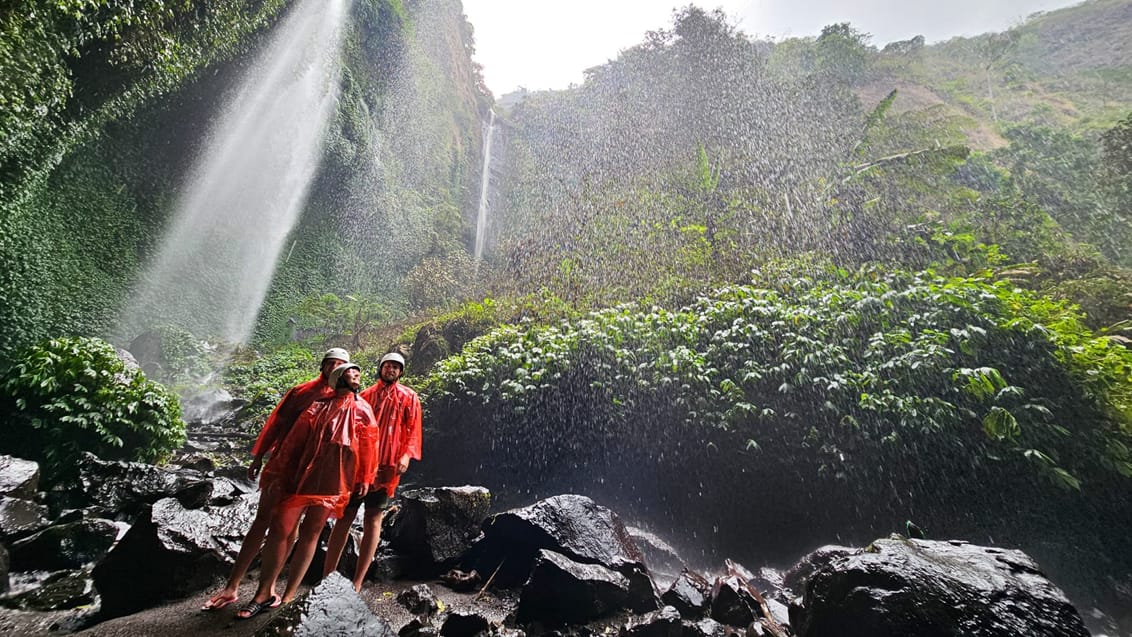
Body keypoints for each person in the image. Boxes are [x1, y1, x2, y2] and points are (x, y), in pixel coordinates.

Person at [201, 347, 349, 611]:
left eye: (341, 364)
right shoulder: (302, 392)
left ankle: (275, 589)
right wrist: (259, 455)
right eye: (331, 363)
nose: (334, 368)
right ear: (323, 365)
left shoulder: (347, 401)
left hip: (316, 475)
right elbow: (276, 423)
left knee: (293, 529)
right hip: (284, 465)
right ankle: (232, 585)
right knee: (263, 522)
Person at [236, 362, 378, 618]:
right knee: (281, 527)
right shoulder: (317, 407)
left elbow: (369, 445)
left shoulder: (363, 410)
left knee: (311, 533)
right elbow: (293, 444)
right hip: (304, 478)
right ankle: (264, 591)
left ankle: (289, 595)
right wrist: (279, 472)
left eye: (358, 373)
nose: (356, 376)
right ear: (337, 378)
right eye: (351, 373)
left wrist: (365, 478)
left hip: (334, 482)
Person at [322, 351, 422, 591]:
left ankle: (358, 581)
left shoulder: (409, 398)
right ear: (380, 368)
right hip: (359, 467)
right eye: (388, 366)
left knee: (374, 518)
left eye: (396, 368)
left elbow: (413, 431)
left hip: (388, 468)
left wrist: (406, 456)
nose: (391, 370)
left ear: (401, 372)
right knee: (345, 517)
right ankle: (327, 576)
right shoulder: (364, 396)